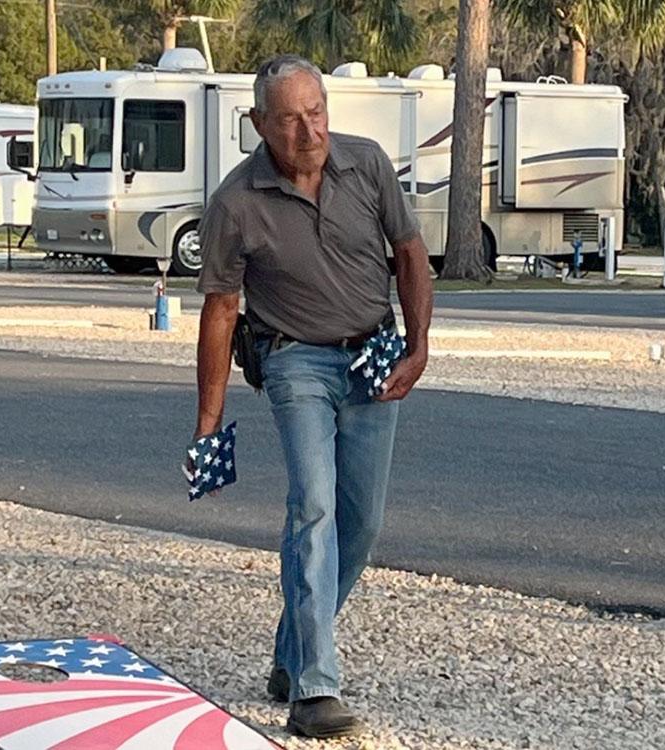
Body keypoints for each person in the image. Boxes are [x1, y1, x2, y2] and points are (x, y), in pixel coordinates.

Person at [194, 54, 433, 738]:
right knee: (315, 509)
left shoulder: (369, 165)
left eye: (317, 112)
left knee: (362, 524)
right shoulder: (235, 203)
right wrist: (208, 424)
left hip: (374, 353)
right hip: (294, 360)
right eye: (290, 119)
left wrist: (419, 347)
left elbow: (411, 253)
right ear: (257, 124)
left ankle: (292, 653)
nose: (308, 132)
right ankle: (315, 690)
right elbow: (219, 309)